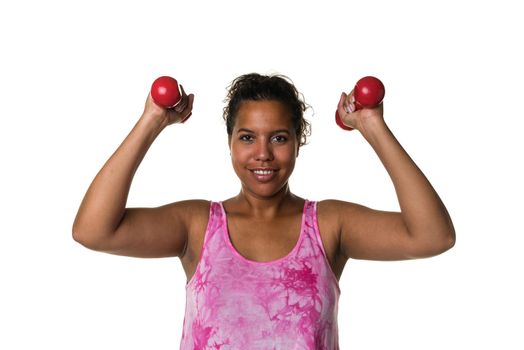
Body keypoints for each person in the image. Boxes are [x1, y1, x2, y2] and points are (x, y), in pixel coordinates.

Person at [73, 73, 455, 349]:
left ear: (297, 143)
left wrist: (371, 125)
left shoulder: (329, 225)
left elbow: (433, 236)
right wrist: (152, 120)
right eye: (247, 137)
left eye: (279, 138)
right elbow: (93, 230)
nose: (263, 154)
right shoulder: (197, 225)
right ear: (229, 143)